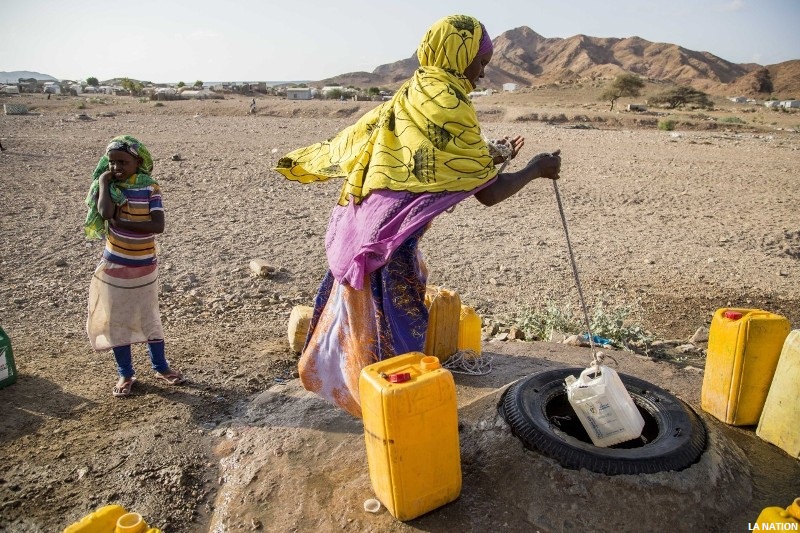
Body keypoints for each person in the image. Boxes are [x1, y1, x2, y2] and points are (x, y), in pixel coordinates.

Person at [274, 14, 561, 417]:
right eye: (480, 61)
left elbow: (429, 161)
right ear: (459, 56)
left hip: (363, 229)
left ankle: (369, 401)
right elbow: (488, 193)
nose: (483, 72)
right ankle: (397, 420)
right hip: (387, 244)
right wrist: (534, 168)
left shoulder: (414, 95)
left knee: (364, 327)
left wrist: (496, 154)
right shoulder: (448, 103)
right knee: (397, 336)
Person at [84, 135, 185, 397]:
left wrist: (121, 222)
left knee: (150, 318)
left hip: (144, 266)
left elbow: (157, 226)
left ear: (137, 161)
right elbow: (105, 213)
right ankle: (125, 374)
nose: (117, 167)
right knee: (117, 321)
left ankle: (161, 367)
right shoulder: (108, 187)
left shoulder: (150, 189)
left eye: (123, 162)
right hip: (114, 265)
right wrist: (104, 182)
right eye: (112, 162)